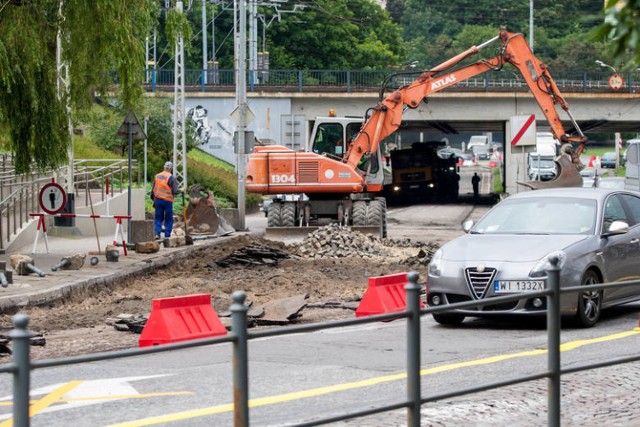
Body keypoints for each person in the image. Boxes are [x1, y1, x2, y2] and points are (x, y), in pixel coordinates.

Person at [151, 161, 181, 240]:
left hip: (158, 200)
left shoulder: (157, 176)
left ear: (164, 167)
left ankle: (157, 233)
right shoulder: (172, 178)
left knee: (158, 218)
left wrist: (153, 199)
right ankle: (167, 236)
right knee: (168, 219)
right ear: (171, 169)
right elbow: (175, 191)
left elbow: (153, 189)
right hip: (167, 201)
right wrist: (181, 190)